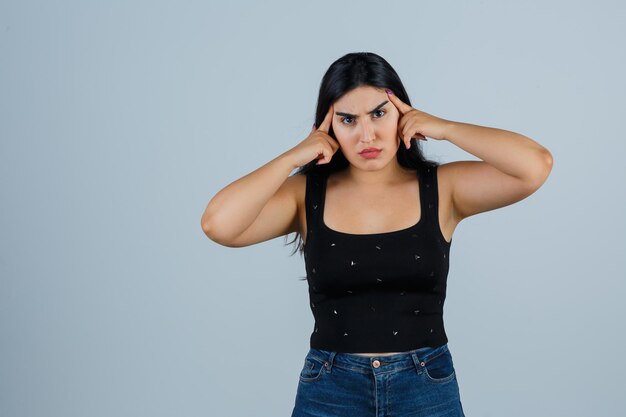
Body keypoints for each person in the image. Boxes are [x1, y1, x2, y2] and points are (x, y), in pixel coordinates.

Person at [201, 52, 553, 417]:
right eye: (348, 119)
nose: (366, 135)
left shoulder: (443, 189)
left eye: (379, 113)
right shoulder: (305, 195)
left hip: (425, 387)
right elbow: (218, 224)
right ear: (329, 125)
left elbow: (534, 166)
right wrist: (293, 156)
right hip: (330, 390)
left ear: (402, 112)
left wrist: (444, 128)